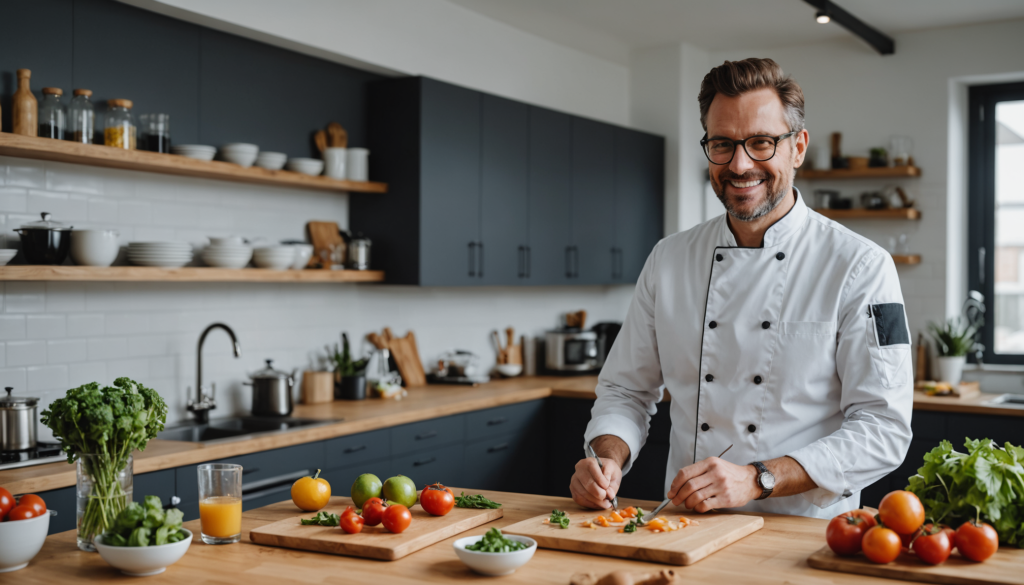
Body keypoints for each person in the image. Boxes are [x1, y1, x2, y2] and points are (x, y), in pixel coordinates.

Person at [569, 58, 913, 519]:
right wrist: (606, 459)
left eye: (761, 143)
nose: (740, 163)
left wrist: (757, 478)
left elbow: (883, 428)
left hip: (806, 537)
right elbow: (626, 391)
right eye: (722, 144)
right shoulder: (669, 260)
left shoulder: (862, 266)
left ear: (798, 148)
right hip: (684, 525)